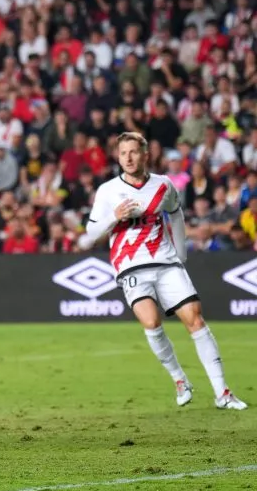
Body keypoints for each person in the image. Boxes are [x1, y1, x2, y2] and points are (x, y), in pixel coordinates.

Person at [79, 132, 246, 411]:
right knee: (152, 323)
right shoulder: (108, 191)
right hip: (131, 266)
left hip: (166, 262)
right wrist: (114, 217)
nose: (129, 158)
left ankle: (223, 392)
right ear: (118, 157)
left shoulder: (164, 186)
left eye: (134, 152)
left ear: (146, 155)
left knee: (195, 319)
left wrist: (180, 254)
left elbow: (177, 213)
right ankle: (180, 379)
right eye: (123, 153)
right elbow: (89, 234)